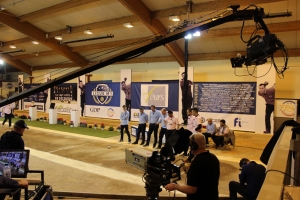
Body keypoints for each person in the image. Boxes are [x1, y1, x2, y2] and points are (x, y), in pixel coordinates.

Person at [165, 133, 220, 200]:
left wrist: (175, 186)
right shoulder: (214, 158)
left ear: (194, 146)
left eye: (190, 145)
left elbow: (191, 189)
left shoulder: (197, 163)